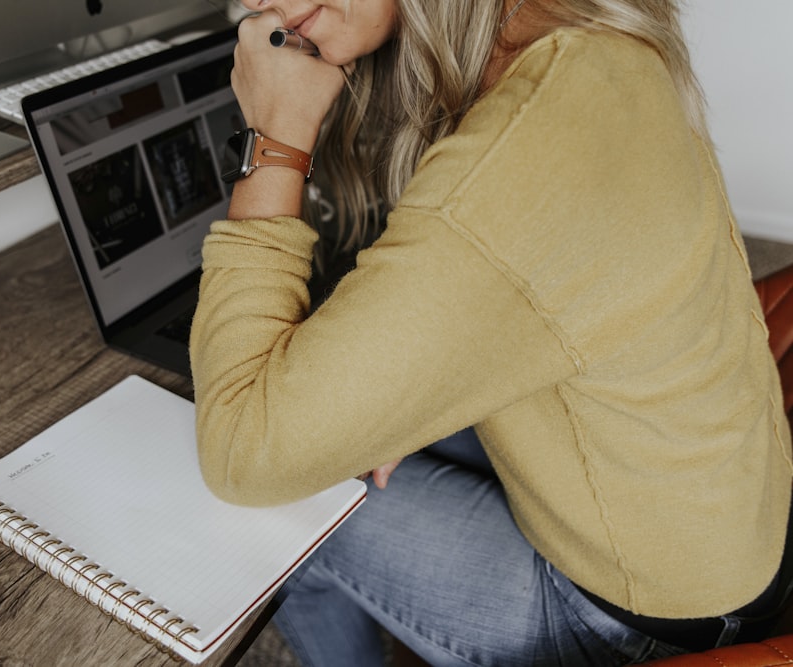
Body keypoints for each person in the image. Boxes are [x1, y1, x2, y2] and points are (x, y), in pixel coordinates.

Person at [189, 0, 793, 664]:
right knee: (319, 438)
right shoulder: (585, 37)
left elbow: (241, 449)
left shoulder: (531, 149)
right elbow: (526, 283)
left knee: (269, 510)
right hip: (718, 528)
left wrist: (276, 134)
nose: (257, 9)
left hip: (644, 615)